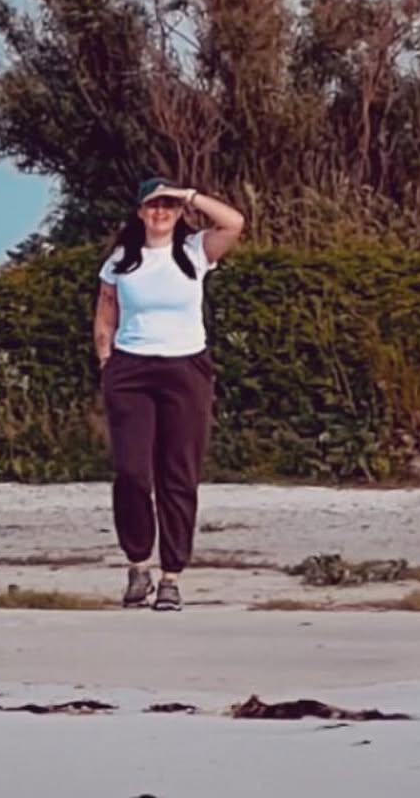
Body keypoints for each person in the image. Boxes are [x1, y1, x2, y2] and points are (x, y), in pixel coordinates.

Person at [94, 178, 244, 611]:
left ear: (177, 212)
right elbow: (105, 315)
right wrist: (107, 360)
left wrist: (189, 196)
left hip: (185, 369)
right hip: (131, 369)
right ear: (139, 212)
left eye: (167, 206)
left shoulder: (196, 251)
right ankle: (138, 564)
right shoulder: (121, 260)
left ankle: (172, 575)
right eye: (152, 206)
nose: (160, 213)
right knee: (133, 473)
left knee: (178, 474)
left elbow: (234, 223)